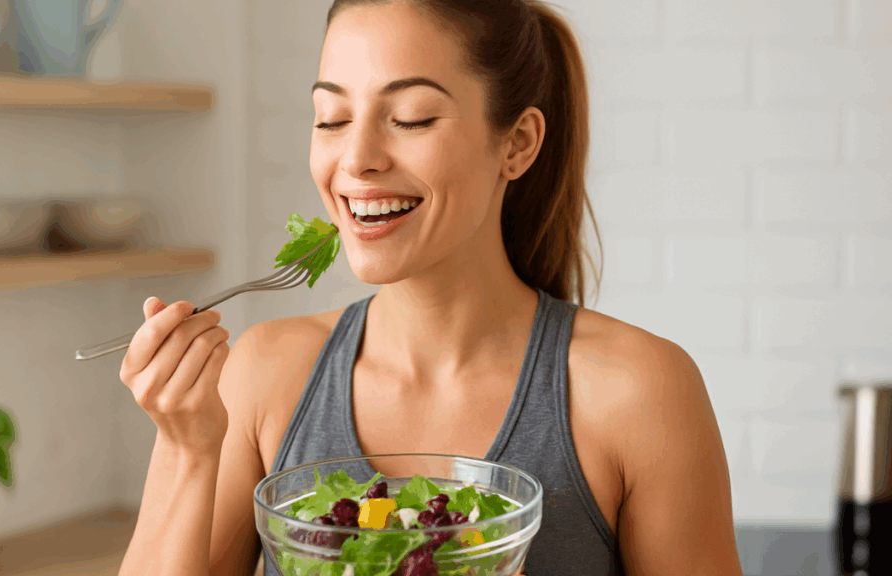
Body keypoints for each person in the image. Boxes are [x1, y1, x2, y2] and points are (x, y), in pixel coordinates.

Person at [117, 1, 743, 575]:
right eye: (332, 119)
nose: (356, 158)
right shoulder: (263, 373)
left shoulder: (640, 393)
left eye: (410, 118)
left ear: (517, 144)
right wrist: (184, 447)